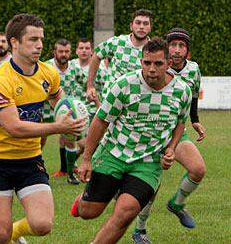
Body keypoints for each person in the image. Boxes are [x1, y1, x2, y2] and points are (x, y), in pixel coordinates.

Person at [71, 37, 192, 244]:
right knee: (88, 212)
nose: (151, 69)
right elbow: (100, 121)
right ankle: (84, 200)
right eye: (147, 63)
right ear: (141, 62)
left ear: (169, 64)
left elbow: (181, 122)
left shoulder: (182, 92)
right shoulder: (125, 85)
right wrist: (86, 159)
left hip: (148, 164)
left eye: (158, 63)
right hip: (113, 154)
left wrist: (171, 148)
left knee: (125, 213)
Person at [0, 13, 86, 244]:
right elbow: (14, 128)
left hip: (29, 160)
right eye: (33, 39)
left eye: (41, 39)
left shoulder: (48, 73)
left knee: (42, 225)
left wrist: (74, 119)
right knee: (0, 233)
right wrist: (58, 127)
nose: (39, 45)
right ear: (14, 42)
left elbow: (61, 101)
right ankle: (7, 235)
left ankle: (16, 235)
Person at [131, 28, 206, 243]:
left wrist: (195, 120)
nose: (177, 50)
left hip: (176, 132)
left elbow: (192, 98)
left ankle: (176, 204)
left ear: (188, 53)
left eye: (182, 46)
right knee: (152, 185)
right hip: (150, 132)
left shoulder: (193, 70)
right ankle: (140, 230)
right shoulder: (155, 68)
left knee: (198, 169)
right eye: (173, 45)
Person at [86, 9, 152, 104]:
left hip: (136, 103)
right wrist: (90, 86)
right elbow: (97, 55)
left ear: (150, 27)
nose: (141, 27)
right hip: (110, 99)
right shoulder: (118, 42)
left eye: (145, 24)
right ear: (131, 26)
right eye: (138, 23)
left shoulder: (153, 50)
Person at [43, 39, 82, 184]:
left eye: (66, 51)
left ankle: (70, 173)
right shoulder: (46, 67)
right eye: (61, 51)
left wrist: (81, 105)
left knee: (70, 140)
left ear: (70, 53)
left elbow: (85, 84)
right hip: (45, 111)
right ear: (55, 52)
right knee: (39, 142)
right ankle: (37, 169)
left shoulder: (75, 68)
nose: (63, 54)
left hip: (67, 112)